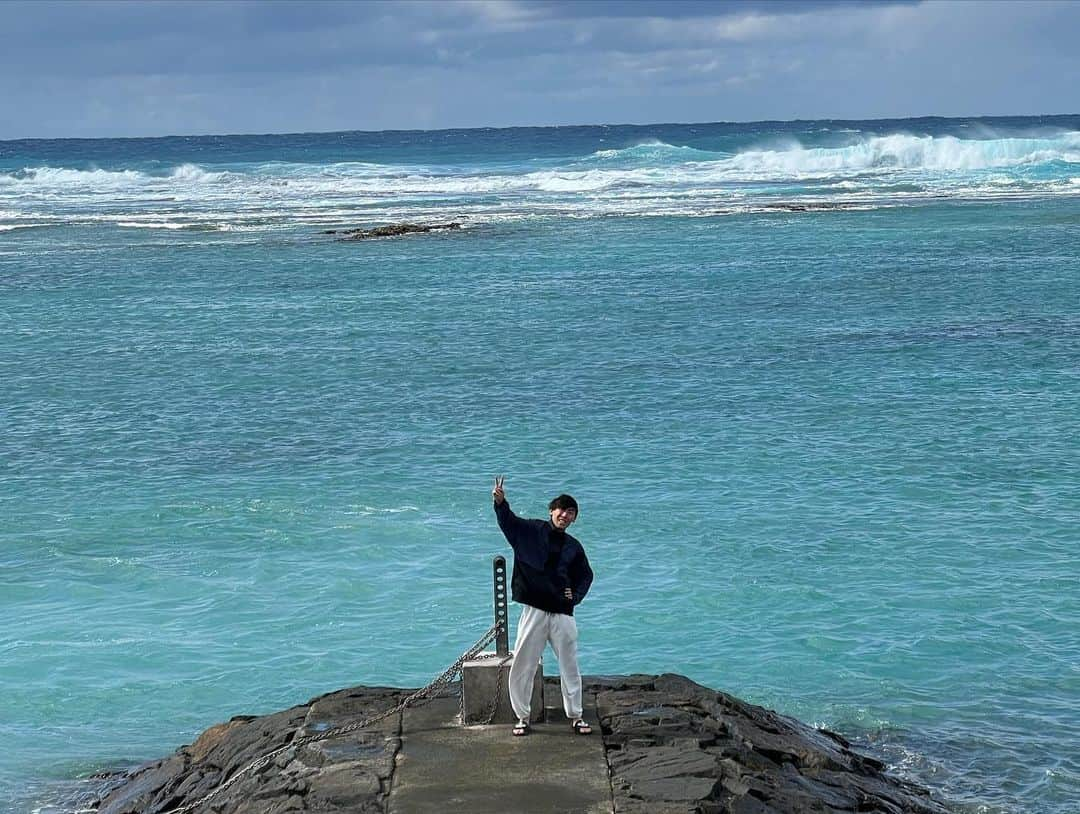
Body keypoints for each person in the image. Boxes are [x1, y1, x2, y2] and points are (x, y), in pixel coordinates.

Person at [492, 475, 594, 737]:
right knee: (523, 664)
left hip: (563, 614)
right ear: (552, 511)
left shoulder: (574, 547)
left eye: (571, 512)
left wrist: (575, 597)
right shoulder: (530, 530)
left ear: (574, 519)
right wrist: (501, 503)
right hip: (534, 610)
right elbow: (509, 523)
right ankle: (522, 717)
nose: (565, 515)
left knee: (569, 666)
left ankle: (576, 716)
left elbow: (586, 576)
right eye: (562, 509)